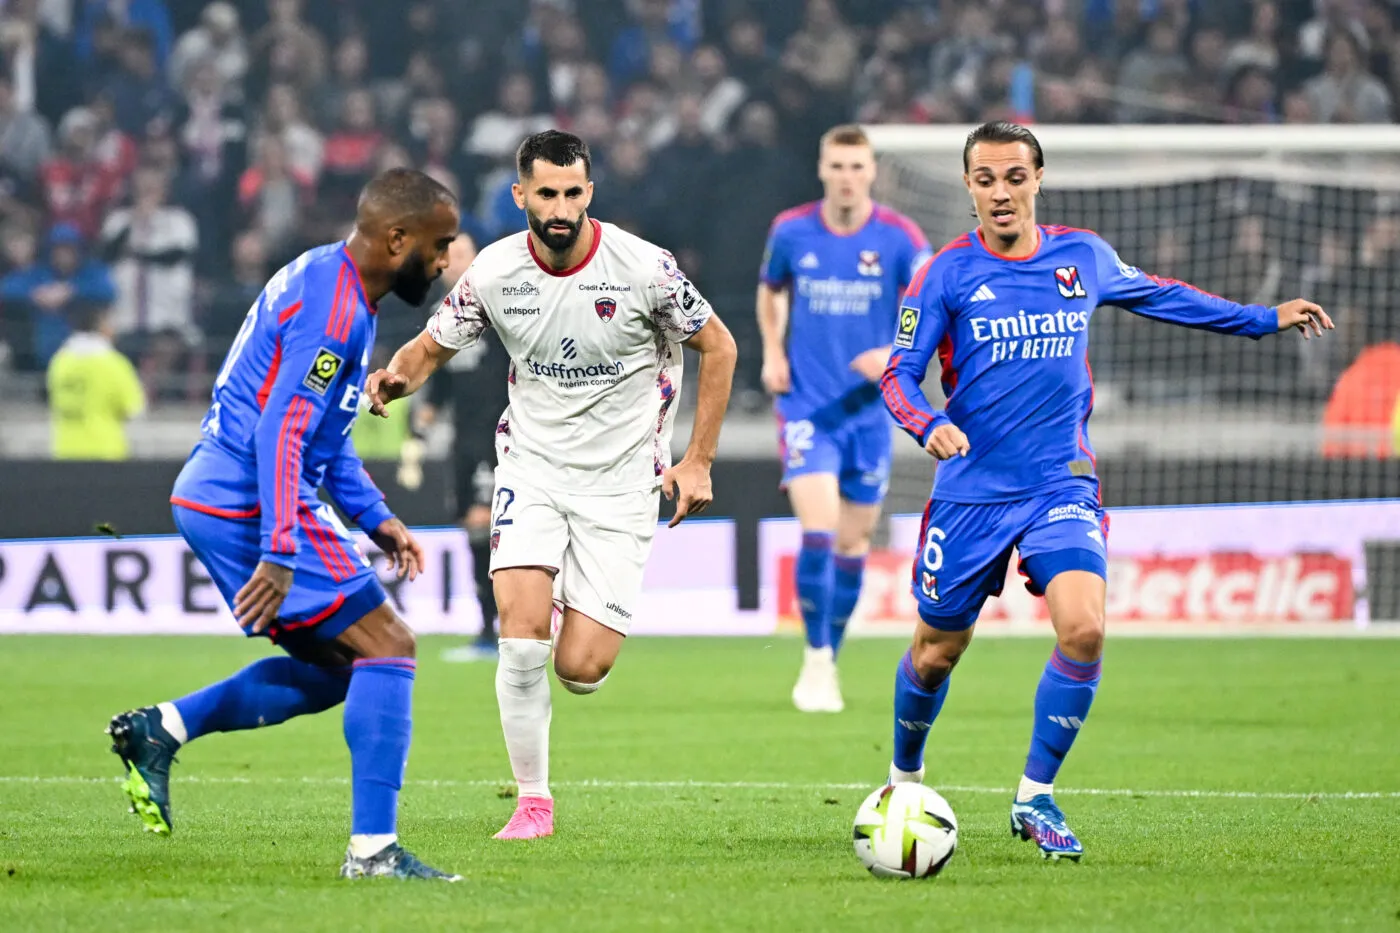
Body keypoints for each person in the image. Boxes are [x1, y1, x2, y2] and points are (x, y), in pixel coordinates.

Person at [880, 121, 1332, 861]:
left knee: (1084, 630)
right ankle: (904, 778)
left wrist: (1261, 320)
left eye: (1014, 176)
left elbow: (1164, 295)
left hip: (1061, 482)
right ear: (968, 186)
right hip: (972, 491)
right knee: (935, 652)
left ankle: (1035, 795)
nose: (1001, 192)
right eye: (986, 179)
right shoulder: (944, 274)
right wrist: (928, 423)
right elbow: (898, 374)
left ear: (1039, 178)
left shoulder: (1083, 256)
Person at [366, 130, 737, 841]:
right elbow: (432, 345)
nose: (561, 208)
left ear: (589, 192)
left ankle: (568, 604)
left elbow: (719, 344)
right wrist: (397, 377)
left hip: (622, 483)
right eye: (546, 194)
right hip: (531, 467)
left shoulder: (644, 268)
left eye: (572, 193)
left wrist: (698, 460)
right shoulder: (497, 270)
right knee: (520, 639)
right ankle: (533, 802)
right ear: (520, 195)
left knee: (580, 670)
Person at [104, 168, 463, 882]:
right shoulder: (337, 310)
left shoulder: (330, 280)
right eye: (440, 244)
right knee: (390, 644)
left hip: (216, 491)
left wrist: (376, 516)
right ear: (398, 239)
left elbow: (323, 435)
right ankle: (374, 852)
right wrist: (279, 549)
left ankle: (162, 727)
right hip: (251, 496)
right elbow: (282, 431)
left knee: (342, 667)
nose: (445, 261)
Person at [758, 124, 931, 713]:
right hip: (807, 405)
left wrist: (896, 354)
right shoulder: (791, 231)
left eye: (857, 166)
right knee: (819, 529)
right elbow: (770, 290)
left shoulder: (900, 237)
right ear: (821, 169)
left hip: (869, 412)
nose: (847, 177)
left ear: (872, 172)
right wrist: (773, 351)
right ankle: (813, 657)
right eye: (837, 166)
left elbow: (931, 307)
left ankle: (830, 656)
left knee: (854, 543)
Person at [415, 232, 515, 663]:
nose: (452, 262)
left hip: (499, 437)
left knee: (485, 523)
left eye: (460, 254)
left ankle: (500, 630)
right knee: (472, 528)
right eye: (446, 255)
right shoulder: (440, 316)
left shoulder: (498, 308)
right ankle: (490, 629)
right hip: (462, 441)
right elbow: (439, 379)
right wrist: (425, 415)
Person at [46, 301, 145, 459]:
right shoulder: (114, 363)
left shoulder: (59, 361)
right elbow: (133, 409)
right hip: (104, 450)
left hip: (64, 450)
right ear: (101, 326)